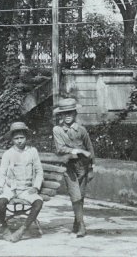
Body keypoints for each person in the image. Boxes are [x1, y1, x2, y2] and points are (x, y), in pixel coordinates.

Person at [0, 122, 44, 242]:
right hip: (11, 188)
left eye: (22, 138)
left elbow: (39, 172)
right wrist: (0, 186)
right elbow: (2, 172)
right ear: (12, 139)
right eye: (16, 138)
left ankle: (22, 229)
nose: (19, 141)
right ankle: (3, 226)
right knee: (1, 201)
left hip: (26, 188)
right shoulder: (8, 154)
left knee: (38, 202)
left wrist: (36, 187)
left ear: (26, 138)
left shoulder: (32, 151)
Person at [52, 98, 94, 238]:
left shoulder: (81, 130)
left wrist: (92, 167)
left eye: (70, 112)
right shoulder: (57, 130)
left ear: (75, 113)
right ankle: (82, 226)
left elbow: (89, 148)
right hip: (68, 167)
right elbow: (61, 148)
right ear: (61, 115)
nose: (67, 116)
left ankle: (76, 223)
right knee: (75, 196)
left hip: (83, 167)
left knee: (80, 197)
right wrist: (79, 151)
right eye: (64, 113)